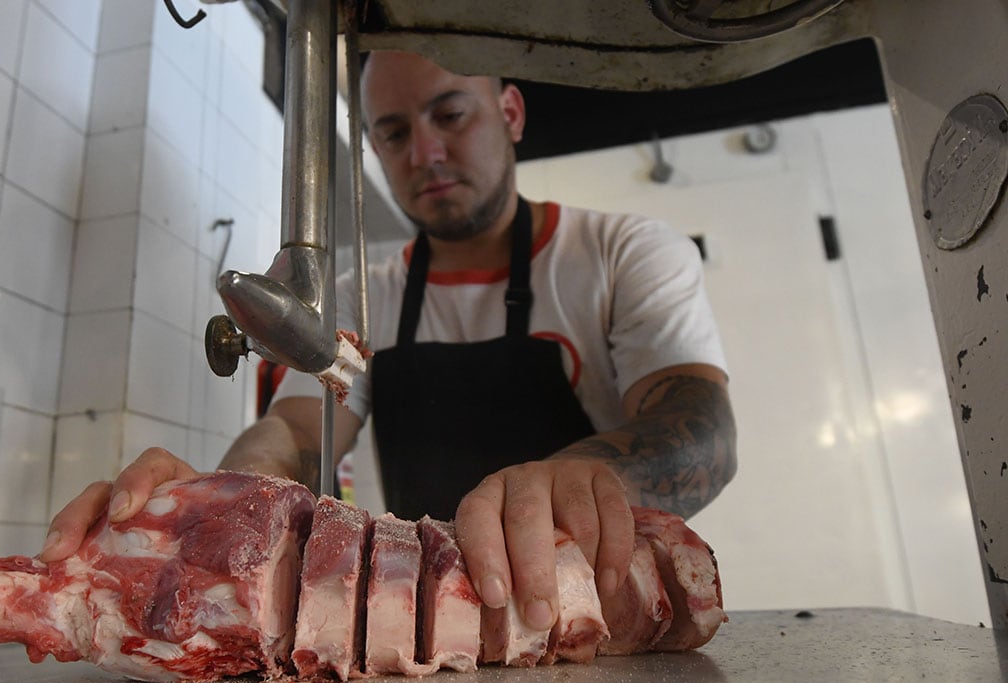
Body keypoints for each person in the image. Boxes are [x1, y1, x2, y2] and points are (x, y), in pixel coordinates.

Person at [40, 50, 737, 635]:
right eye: (394, 133)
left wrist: (579, 476)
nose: (426, 153)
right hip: (423, 634)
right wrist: (220, 506)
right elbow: (295, 432)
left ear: (511, 113)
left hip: (595, 627)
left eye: (451, 115)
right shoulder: (362, 292)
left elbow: (700, 430)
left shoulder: (622, 253)